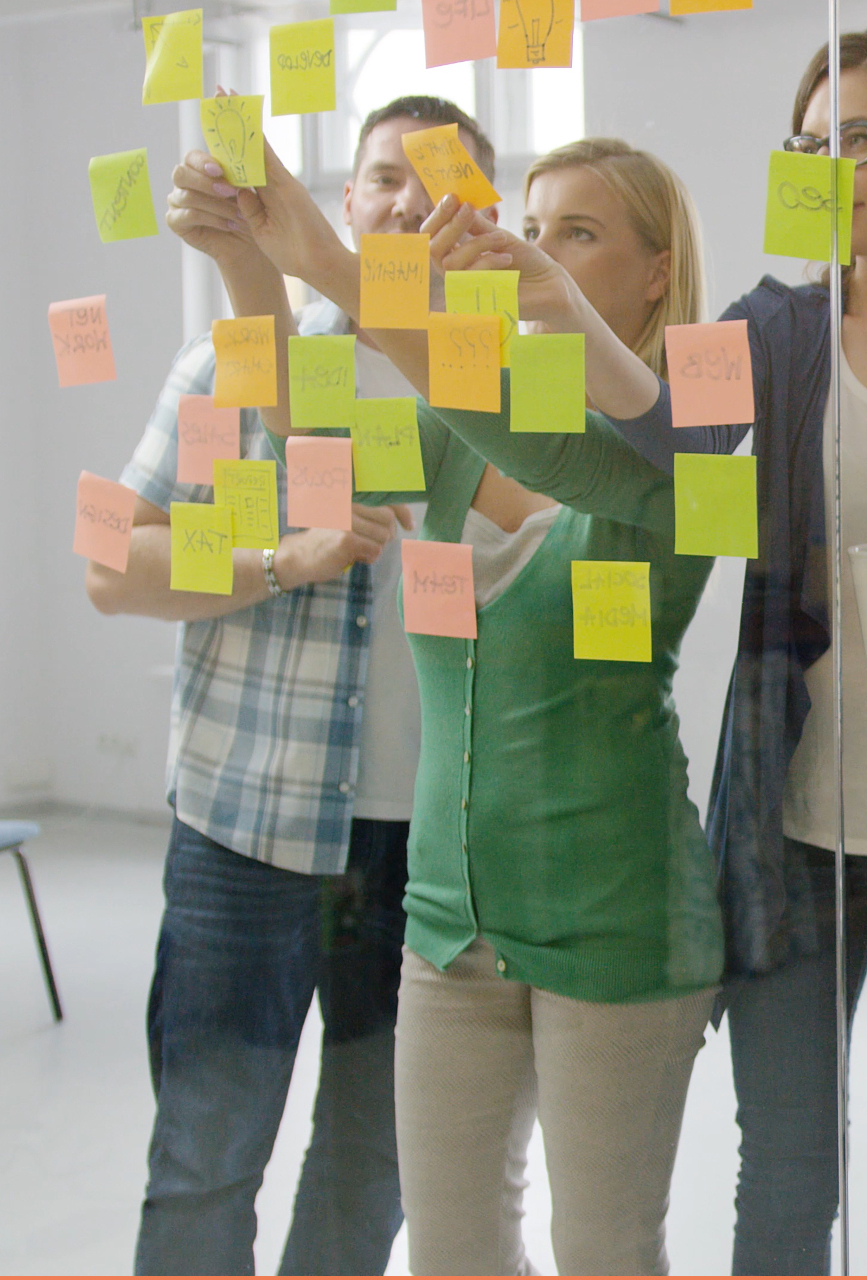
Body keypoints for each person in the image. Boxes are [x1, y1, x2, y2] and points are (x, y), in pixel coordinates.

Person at [366, 25, 867, 1273]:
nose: (826, 164)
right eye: (808, 144)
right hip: (794, 810)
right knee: (790, 1160)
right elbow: (656, 452)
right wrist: (541, 310)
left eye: (856, 139)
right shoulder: (765, 328)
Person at [166, 129, 725, 1275]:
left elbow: (569, 453)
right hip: (449, 923)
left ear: (658, 268)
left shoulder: (705, 424)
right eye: (532, 220)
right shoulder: (453, 433)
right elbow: (305, 433)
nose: (536, 247)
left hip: (618, 920)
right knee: (454, 1254)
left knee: (607, 1251)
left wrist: (331, 257)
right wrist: (245, 260)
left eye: (578, 229)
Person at [86, 95, 491, 1277]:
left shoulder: (507, 390)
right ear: (341, 203)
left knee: (375, 1167)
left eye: (442, 177)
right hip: (244, 829)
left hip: (430, 853)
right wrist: (277, 560)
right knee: (207, 1160)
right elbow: (115, 564)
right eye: (384, 178)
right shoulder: (227, 359)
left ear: (487, 213)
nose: (411, 200)